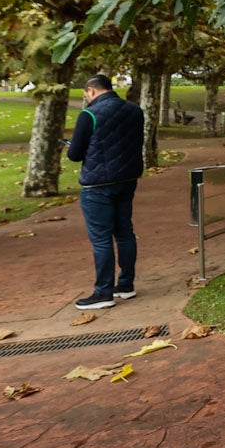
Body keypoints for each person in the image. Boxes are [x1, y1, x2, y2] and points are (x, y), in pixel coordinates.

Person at [67, 74, 145, 310]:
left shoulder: (89, 114)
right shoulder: (134, 110)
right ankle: (126, 284)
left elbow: (75, 154)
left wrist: (71, 147)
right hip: (127, 178)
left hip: (97, 184)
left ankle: (103, 292)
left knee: (101, 238)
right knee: (124, 232)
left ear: (91, 90)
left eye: (86, 94)